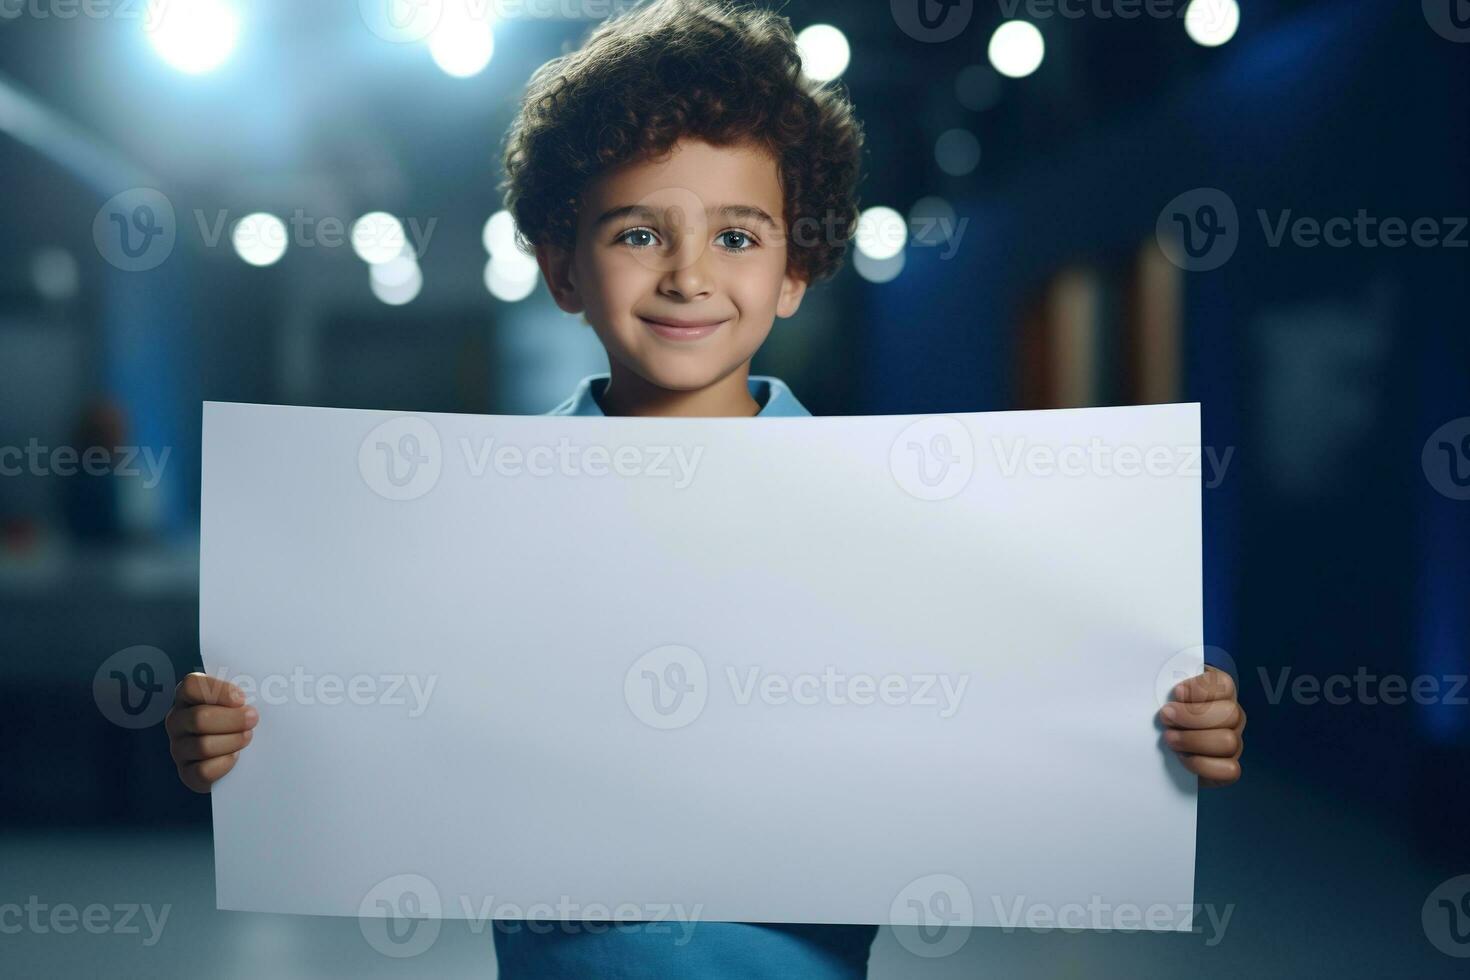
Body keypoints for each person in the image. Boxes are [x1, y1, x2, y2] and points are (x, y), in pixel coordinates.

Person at [165, 0, 1245, 976]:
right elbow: (356, 725)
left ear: (794, 269)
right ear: (562, 266)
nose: (688, 274)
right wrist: (244, 743)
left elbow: (1026, 724)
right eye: (638, 232)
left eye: (737, 235)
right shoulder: (460, 525)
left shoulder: (909, 528)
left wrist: (1154, 736)